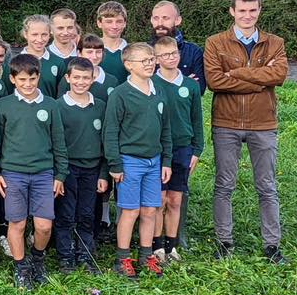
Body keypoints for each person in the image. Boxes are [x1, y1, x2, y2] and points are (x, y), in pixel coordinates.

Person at [204, 0, 287, 263]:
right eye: (242, 10)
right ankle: (224, 242)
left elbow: (279, 75)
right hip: (226, 123)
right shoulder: (215, 42)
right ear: (232, 11)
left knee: (267, 186)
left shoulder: (275, 43)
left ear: (259, 10)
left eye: (252, 10)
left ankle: (272, 245)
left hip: (263, 123)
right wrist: (259, 80)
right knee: (224, 185)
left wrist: (237, 73)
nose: (247, 16)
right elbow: (215, 81)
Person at [0, 54, 69, 289]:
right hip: (13, 173)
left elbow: (59, 142)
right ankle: (21, 267)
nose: (28, 84)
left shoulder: (50, 105)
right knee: (17, 224)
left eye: (32, 79)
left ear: (39, 77)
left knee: (44, 226)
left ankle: (37, 259)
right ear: (12, 79)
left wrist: (60, 174)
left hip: (43, 173)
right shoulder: (4, 105)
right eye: (22, 79)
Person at [103, 43, 172, 278]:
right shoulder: (120, 94)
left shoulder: (158, 91)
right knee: (130, 211)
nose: (150, 64)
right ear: (128, 65)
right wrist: (115, 163)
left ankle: (146, 255)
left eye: (152, 59)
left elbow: (165, 129)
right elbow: (110, 131)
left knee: (150, 210)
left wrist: (166, 160)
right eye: (144, 60)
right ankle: (123, 258)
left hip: (154, 160)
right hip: (130, 161)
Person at [153, 35, 204, 263]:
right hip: (157, 149)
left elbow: (196, 119)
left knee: (175, 200)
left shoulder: (190, 85)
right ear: (156, 59)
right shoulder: (151, 84)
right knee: (159, 200)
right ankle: (156, 246)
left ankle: (171, 246)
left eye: (173, 53)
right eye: (164, 55)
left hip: (183, 149)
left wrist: (197, 150)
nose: (170, 58)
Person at [54, 57, 107, 274]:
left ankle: (85, 253)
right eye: (76, 77)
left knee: (87, 213)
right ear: (68, 78)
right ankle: (65, 255)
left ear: (93, 79)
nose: (81, 82)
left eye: (86, 78)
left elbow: (106, 143)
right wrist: (59, 174)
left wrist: (104, 173)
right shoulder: (58, 106)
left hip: (92, 169)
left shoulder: (100, 106)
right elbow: (55, 143)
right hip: (67, 169)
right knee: (66, 213)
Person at [149, 0, 206, 92]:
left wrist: (155, 86)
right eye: (156, 18)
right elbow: (139, 89)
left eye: (165, 18)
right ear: (151, 20)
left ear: (177, 20)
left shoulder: (193, 52)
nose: (160, 23)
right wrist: (183, 83)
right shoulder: (144, 52)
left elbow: (199, 89)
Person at [95, 1, 129, 84]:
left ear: (125, 23)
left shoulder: (132, 51)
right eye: (109, 22)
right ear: (99, 23)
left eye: (119, 21)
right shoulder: (90, 52)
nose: (114, 26)